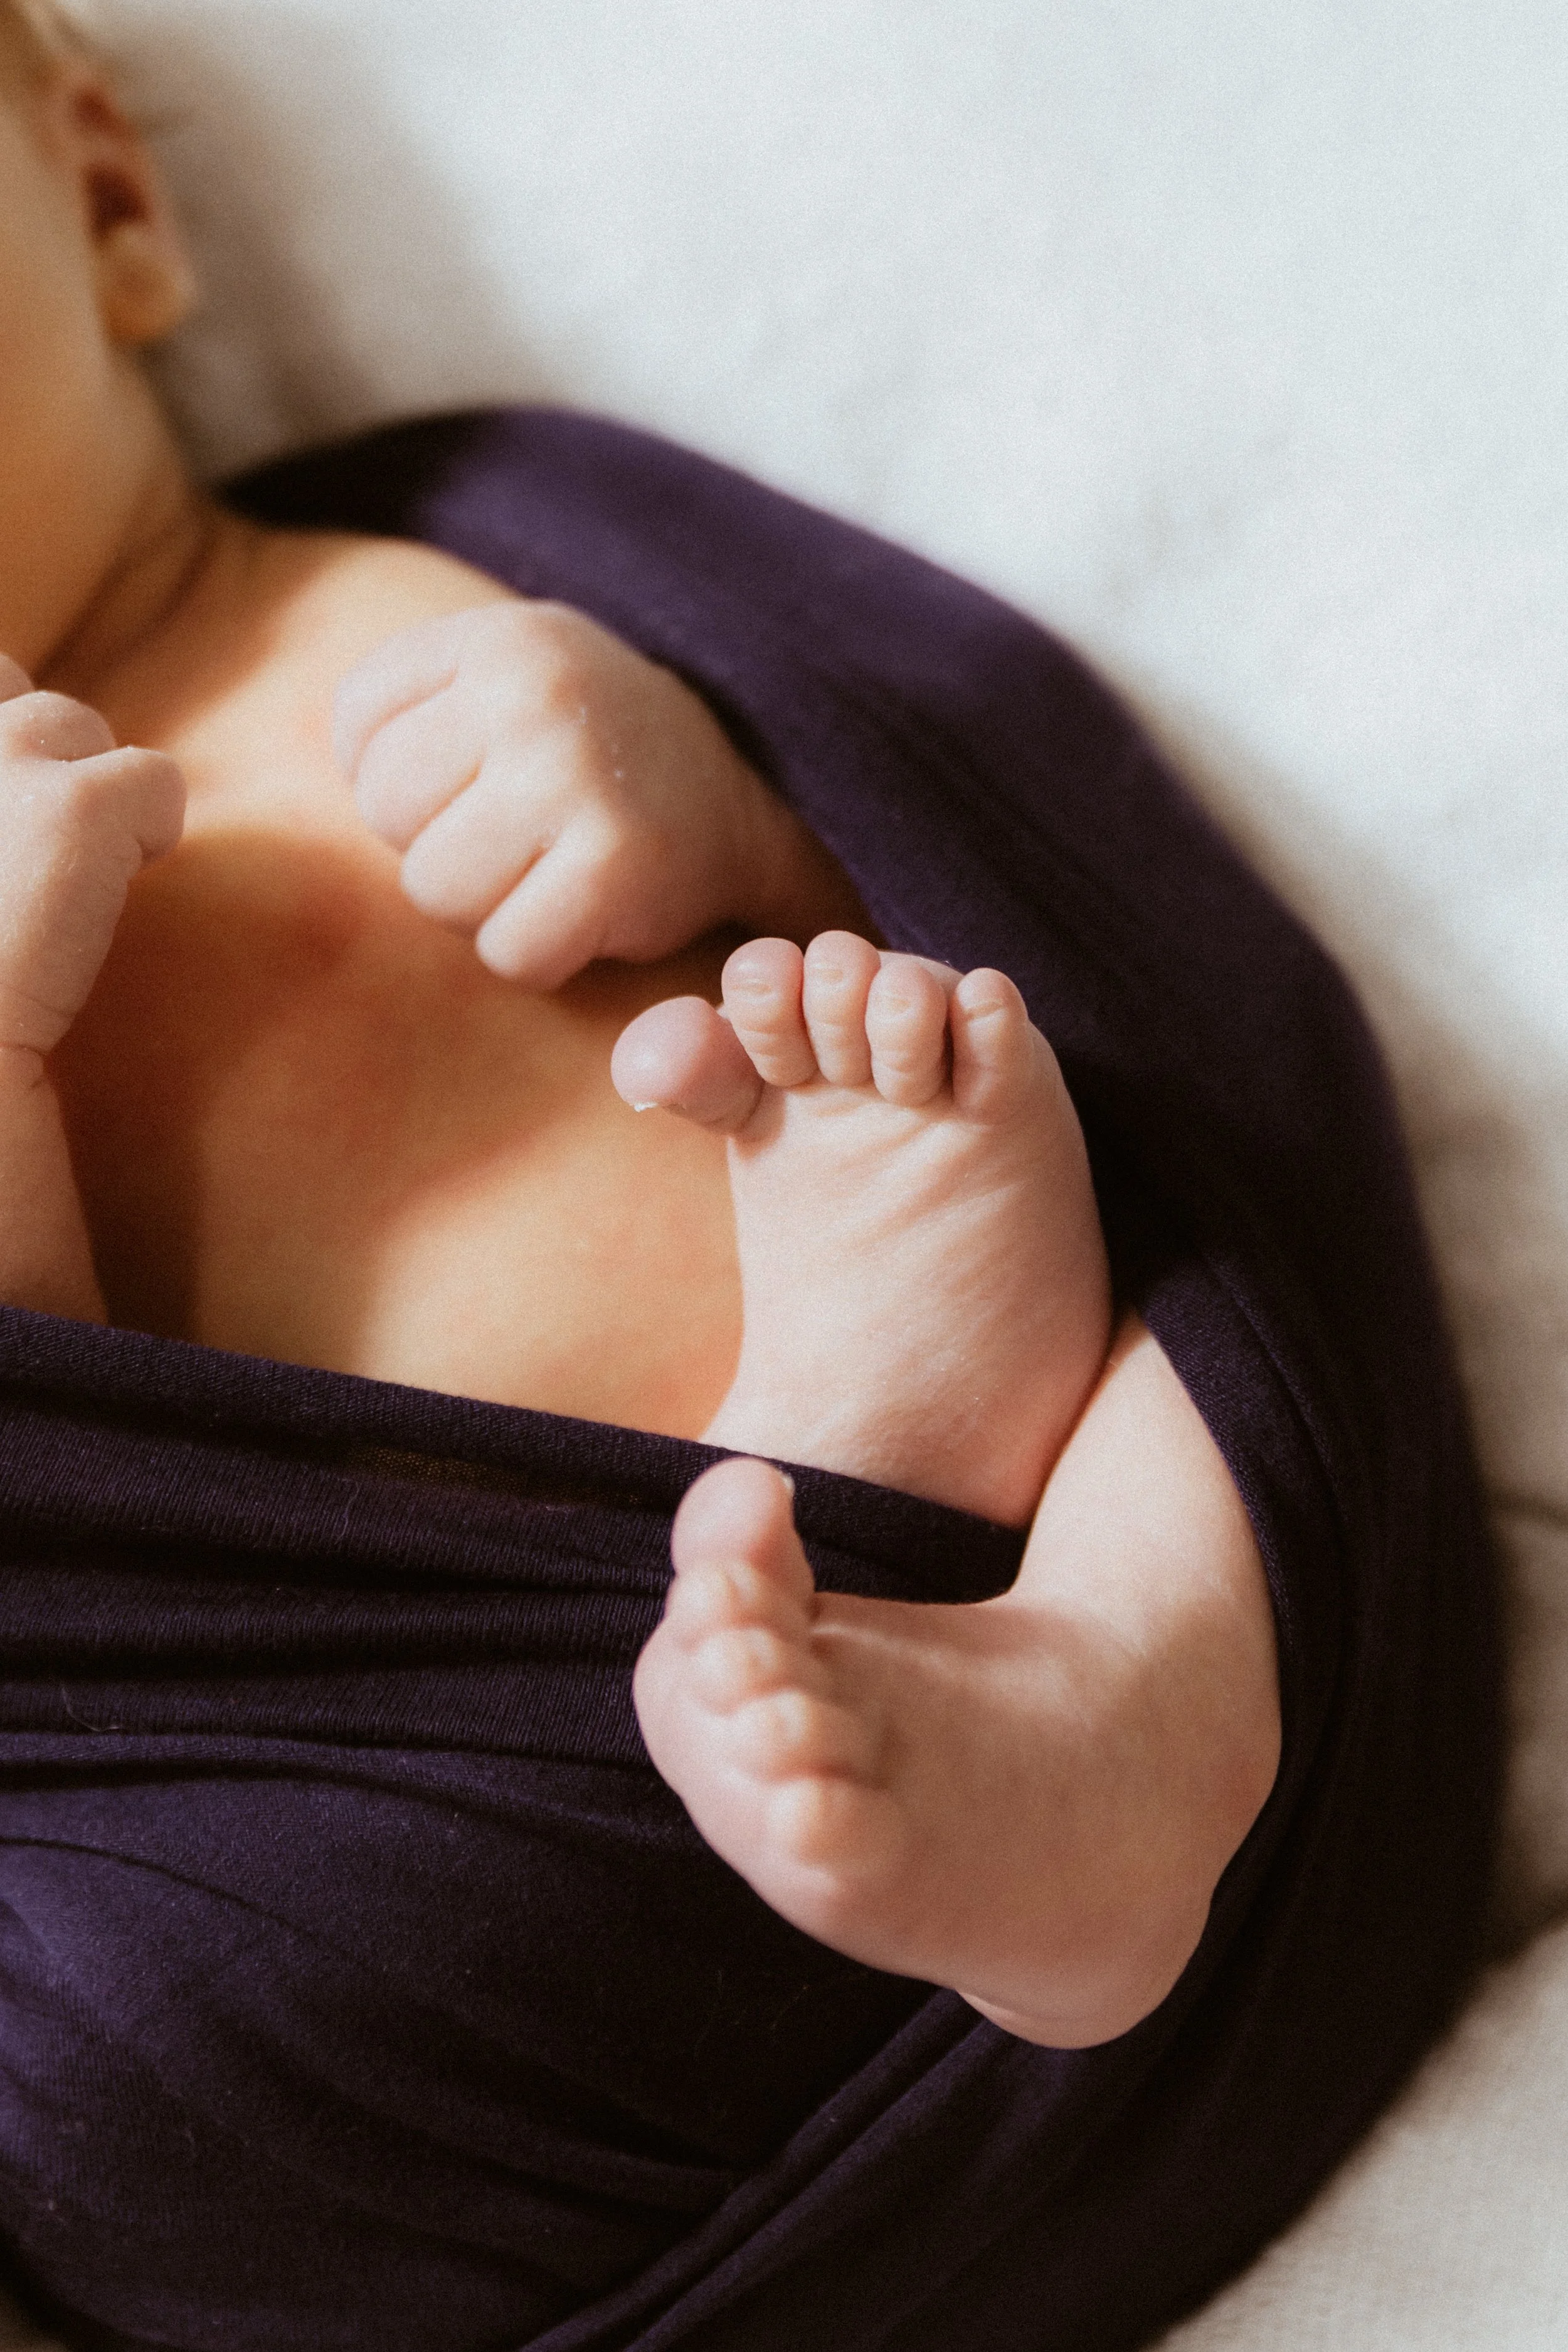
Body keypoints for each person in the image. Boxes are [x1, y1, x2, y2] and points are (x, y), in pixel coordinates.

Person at [0, 8, 1496, 2350]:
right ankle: (845, 1489)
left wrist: (716, 794)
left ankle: (1119, 1672)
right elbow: (68, 1581)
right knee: (126, 2079)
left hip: (1062, 1637)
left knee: (1091, 1153)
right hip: (433, 1868)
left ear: (105, 199)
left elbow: (984, 804)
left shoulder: (480, 544)